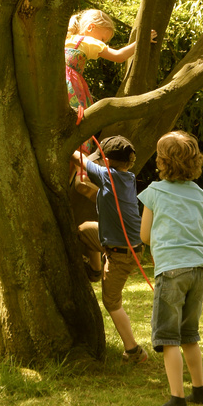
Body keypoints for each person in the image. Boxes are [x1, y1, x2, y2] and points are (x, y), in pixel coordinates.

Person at [139, 130, 203, 406]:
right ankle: (199, 391)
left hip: (171, 271)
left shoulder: (154, 192)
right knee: (189, 334)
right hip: (199, 270)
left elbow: (145, 235)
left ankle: (177, 399)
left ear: (161, 162)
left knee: (168, 337)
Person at [75, 136, 148, 365]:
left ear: (106, 161)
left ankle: (134, 350)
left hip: (122, 253)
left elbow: (79, 159)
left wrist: (75, 143)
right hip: (111, 240)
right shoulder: (127, 177)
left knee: (111, 301)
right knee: (84, 230)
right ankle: (95, 271)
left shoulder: (109, 176)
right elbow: (89, 189)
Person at [65, 9, 154, 117]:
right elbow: (119, 56)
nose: (102, 43)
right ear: (90, 27)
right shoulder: (89, 41)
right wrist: (142, 40)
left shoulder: (67, 38)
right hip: (69, 83)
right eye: (103, 39)